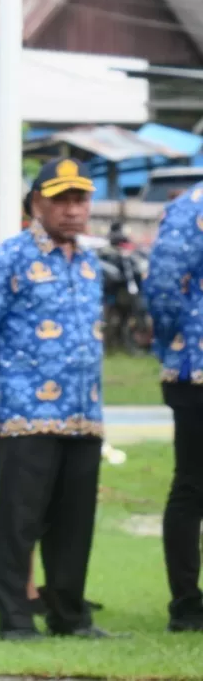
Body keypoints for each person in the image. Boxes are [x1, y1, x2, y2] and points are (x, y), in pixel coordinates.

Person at [0, 158, 113, 641]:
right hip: (27, 413)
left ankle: (70, 616)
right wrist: (3, 374)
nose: (72, 210)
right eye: (61, 200)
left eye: (80, 199)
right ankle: (14, 618)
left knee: (74, 522)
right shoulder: (13, 256)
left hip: (83, 412)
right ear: (36, 204)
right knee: (18, 520)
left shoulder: (89, 262)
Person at [143, 176, 203, 633]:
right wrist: (178, 342)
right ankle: (186, 602)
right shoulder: (191, 208)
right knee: (193, 486)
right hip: (197, 371)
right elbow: (163, 287)